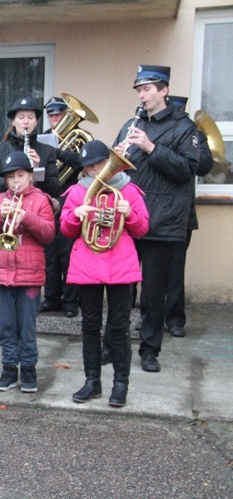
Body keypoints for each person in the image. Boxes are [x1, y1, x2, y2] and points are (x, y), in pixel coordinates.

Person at [111, 65, 199, 373]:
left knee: (153, 291)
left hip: (162, 220)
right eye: (138, 90)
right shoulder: (128, 125)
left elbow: (187, 170)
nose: (142, 95)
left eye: (147, 89)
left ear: (164, 91)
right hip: (128, 215)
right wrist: (118, 156)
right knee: (122, 286)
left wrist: (150, 147)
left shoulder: (184, 127)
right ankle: (115, 343)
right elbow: (114, 171)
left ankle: (150, 349)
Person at [61, 141, 149, 408]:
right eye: (89, 166)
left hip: (120, 266)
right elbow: (66, 230)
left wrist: (129, 213)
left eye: (100, 163)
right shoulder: (77, 192)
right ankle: (92, 382)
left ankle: (120, 384)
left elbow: (142, 228)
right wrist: (76, 214)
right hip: (87, 265)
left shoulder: (129, 191)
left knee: (120, 328)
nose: (95, 170)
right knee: (89, 326)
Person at [0, 151, 55, 393]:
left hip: (30, 274)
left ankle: (29, 370)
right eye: (11, 177)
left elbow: (48, 234)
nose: (16, 181)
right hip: (3, 273)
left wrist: (28, 217)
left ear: (31, 176)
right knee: (6, 326)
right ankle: (9, 369)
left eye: (21, 175)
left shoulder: (41, 199)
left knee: (27, 327)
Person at [162, 95, 215, 338]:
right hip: (152, 211)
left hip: (182, 215)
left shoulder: (193, 135)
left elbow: (203, 165)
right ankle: (141, 315)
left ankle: (174, 319)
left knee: (174, 270)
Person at [40, 96, 83, 318]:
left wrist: (58, 153)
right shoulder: (44, 139)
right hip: (49, 197)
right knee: (49, 252)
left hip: (70, 198)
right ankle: (51, 298)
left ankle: (71, 301)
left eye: (58, 114)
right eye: (51, 114)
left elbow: (84, 163)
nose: (54, 119)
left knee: (68, 253)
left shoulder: (79, 138)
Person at [0, 97, 61, 200]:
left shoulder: (48, 151)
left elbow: (55, 190)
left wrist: (37, 172)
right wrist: (11, 178)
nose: (26, 122)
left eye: (30, 117)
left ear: (36, 122)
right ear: (13, 122)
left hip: (36, 209)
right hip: (7, 208)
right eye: (21, 117)